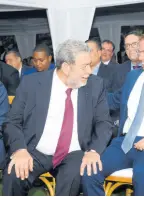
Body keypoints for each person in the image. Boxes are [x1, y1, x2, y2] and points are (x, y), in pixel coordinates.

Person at [2, 39, 113, 195]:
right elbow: (12, 122)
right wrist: (19, 149)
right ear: (67, 67)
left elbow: (104, 123)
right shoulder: (32, 84)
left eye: (90, 65)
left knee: (72, 178)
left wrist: (94, 151)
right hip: (35, 150)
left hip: (74, 151)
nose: (89, 71)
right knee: (13, 173)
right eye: (84, 66)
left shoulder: (95, 85)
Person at [82, 30, 144, 196]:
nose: (141, 56)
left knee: (142, 174)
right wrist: (83, 94)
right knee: (90, 169)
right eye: (139, 52)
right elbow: (114, 99)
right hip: (124, 142)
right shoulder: (133, 76)